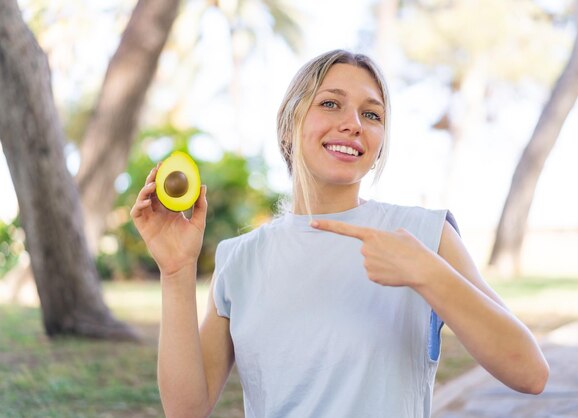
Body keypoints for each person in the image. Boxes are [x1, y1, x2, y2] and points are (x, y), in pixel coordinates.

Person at [131, 49, 549, 418]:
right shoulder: (240, 258)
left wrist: (427, 272)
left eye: (372, 114)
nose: (353, 124)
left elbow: (529, 372)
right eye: (331, 104)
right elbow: (186, 410)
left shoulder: (424, 234)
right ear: (288, 122)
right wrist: (176, 272)